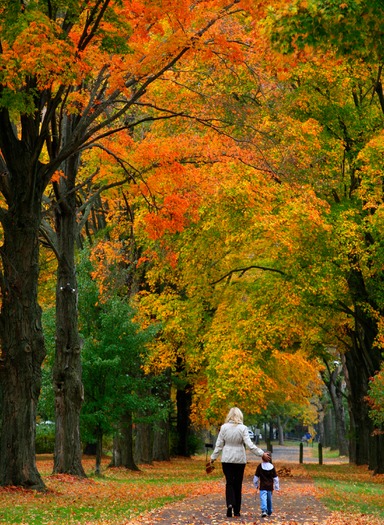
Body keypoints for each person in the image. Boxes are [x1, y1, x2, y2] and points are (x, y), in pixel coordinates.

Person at [209, 407, 271, 518]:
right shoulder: (243, 428)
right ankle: (236, 510)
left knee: (229, 483)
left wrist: (213, 458)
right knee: (238, 484)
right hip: (239, 459)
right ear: (240, 416)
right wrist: (261, 454)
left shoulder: (223, 428)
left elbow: (219, 445)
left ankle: (229, 504)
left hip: (227, 459)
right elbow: (250, 445)